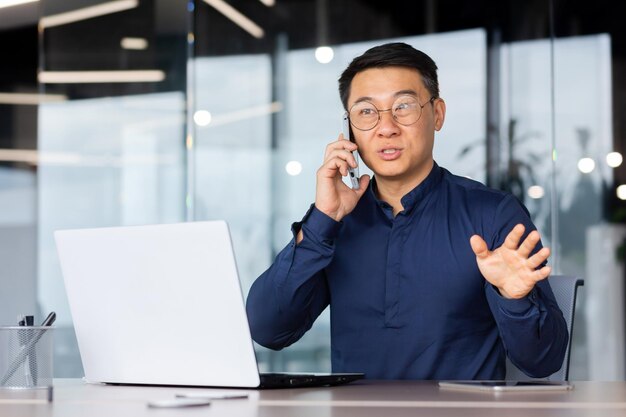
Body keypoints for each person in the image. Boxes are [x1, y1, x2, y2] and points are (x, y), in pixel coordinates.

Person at [246, 42, 568, 380]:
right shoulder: (335, 222)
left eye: (404, 106)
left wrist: (514, 298)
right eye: (367, 111)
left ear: (437, 114)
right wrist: (322, 220)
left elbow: (543, 361)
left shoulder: (493, 214)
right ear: (349, 127)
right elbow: (269, 329)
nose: (387, 127)